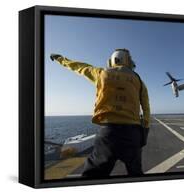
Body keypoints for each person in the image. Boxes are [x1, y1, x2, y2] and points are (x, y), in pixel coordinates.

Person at [50, 48, 150, 177]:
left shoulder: (101, 73)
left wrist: (60, 59)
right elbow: (146, 109)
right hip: (132, 134)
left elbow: (79, 67)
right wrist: (144, 135)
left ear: (111, 61)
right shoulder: (139, 80)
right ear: (129, 61)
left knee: (93, 176)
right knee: (136, 173)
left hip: (108, 134)